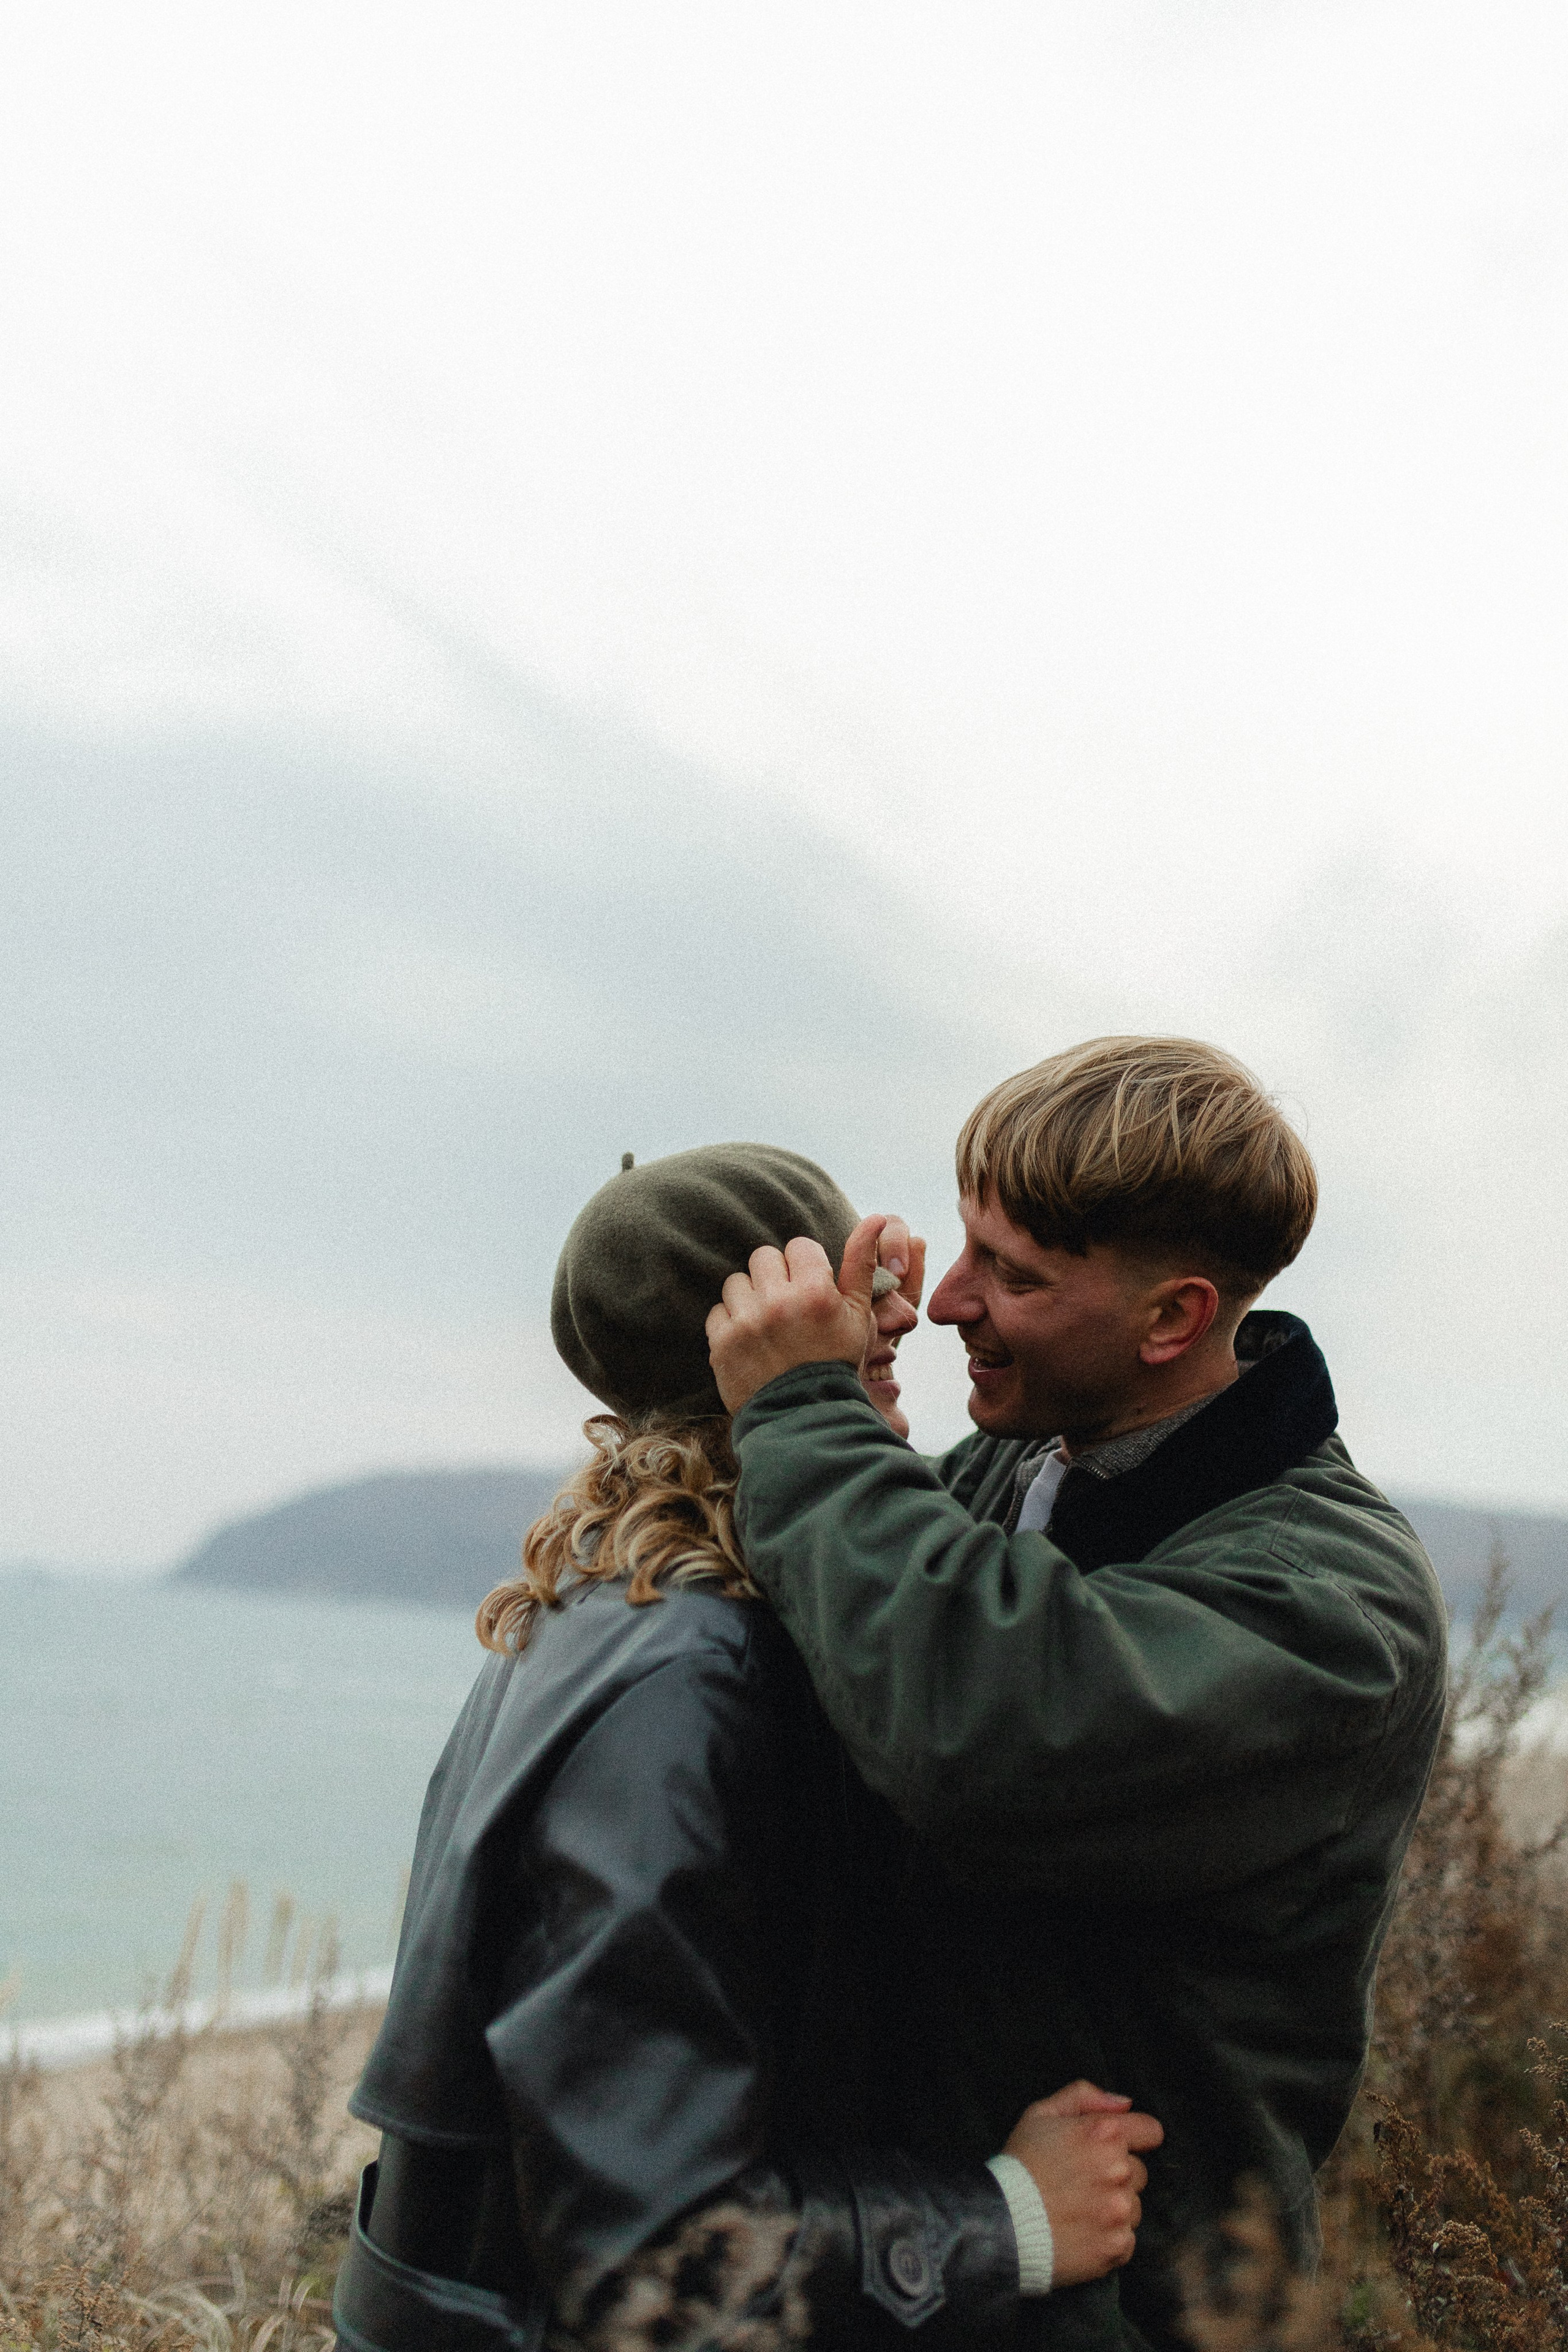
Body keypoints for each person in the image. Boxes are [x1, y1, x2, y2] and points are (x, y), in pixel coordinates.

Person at [334, 1144, 1163, 2352]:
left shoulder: (605, 1593)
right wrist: (1006, 2221)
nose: (903, 1319)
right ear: (756, 1342)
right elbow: (655, 2260)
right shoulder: (693, 1673)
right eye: (858, 1297)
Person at [706, 1040, 1449, 2352]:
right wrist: (861, 1415)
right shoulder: (1025, 1469)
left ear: (1171, 1319)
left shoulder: (1333, 1604)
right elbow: (862, 1648)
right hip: (955, 2258)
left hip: (1139, 2311)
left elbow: (981, 1730)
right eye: (963, 1247)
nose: (948, 1301)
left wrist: (810, 1422)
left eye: (1015, 1274)